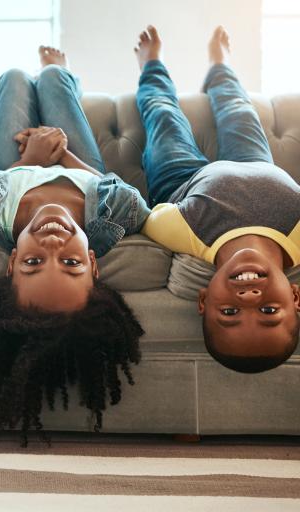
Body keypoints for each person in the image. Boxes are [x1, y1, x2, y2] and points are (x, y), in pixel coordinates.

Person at [0, 47, 147, 444]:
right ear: (93, 263)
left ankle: (43, 81)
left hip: (17, 165)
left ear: (11, 262)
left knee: (10, 77)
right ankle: (58, 72)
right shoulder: (114, 218)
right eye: (71, 263)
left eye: (33, 262)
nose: (54, 242)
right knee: (54, 81)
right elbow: (122, 189)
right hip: (74, 161)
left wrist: (32, 160)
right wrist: (62, 155)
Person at [135, 25, 300, 373]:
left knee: (163, 114)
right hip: (255, 163)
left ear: (204, 299)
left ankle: (151, 64)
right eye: (269, 312)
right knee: (238, 108)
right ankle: (218, 64)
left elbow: (150, 216)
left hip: (183, 179)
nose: (250, 299)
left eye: (229, 313)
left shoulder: (189, 234)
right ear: (296, 298)